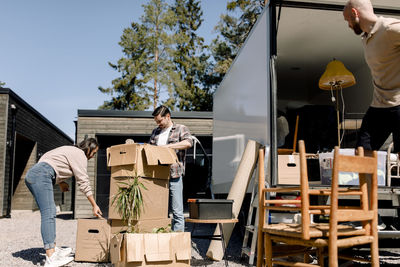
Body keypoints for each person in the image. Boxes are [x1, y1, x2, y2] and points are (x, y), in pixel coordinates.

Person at [25, 138, 102, 267]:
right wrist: (94, 205)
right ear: (88, 149)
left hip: (36, 174)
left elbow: (46, 160)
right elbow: (83, 182)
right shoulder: (80, 154)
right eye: (93, 153)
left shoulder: (69, 149)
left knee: (50, 211)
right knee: (49, 213)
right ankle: (51, 257)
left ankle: (53, 249)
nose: (93, 156)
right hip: (42, 175)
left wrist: (60, 182)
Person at [343, 0, 400, 154]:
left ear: (355, 13)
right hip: (379, 105)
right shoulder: (366, 38)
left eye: (347, 19)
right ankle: (367, 179)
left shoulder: (389, 28)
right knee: (362, 152)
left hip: (399, 102)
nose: (348, 25)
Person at [149, 105, 193, 232]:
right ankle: (162, 237)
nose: (158, 124)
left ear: (168, 117)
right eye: (156, 122)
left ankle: (177, 242)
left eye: (160, 121)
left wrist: (168, 147)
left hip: (174, 175)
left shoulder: (180, 129)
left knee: (177, 211)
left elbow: (188, 143)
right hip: (157, 176)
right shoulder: (155, 132)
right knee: (159, 210)